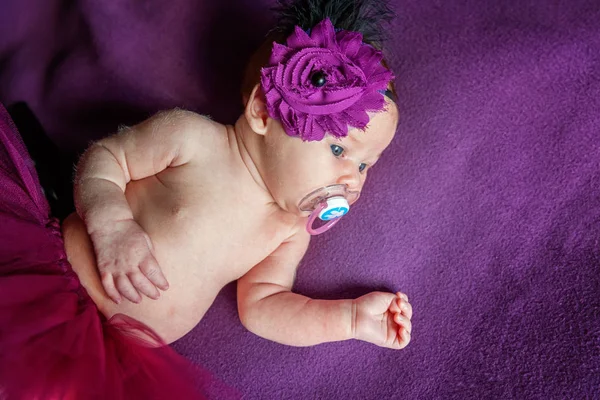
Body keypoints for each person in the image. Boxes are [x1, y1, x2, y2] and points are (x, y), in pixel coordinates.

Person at [0, 0, 412, 398]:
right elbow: (105, 159)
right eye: (340, 151)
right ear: (264, 114)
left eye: (365, 166)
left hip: (108, 355)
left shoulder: (289, 231)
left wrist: (349, 318)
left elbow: (264, 307)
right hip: (51, 280)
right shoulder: (193, 139)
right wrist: (112, 225)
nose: (352, 180)